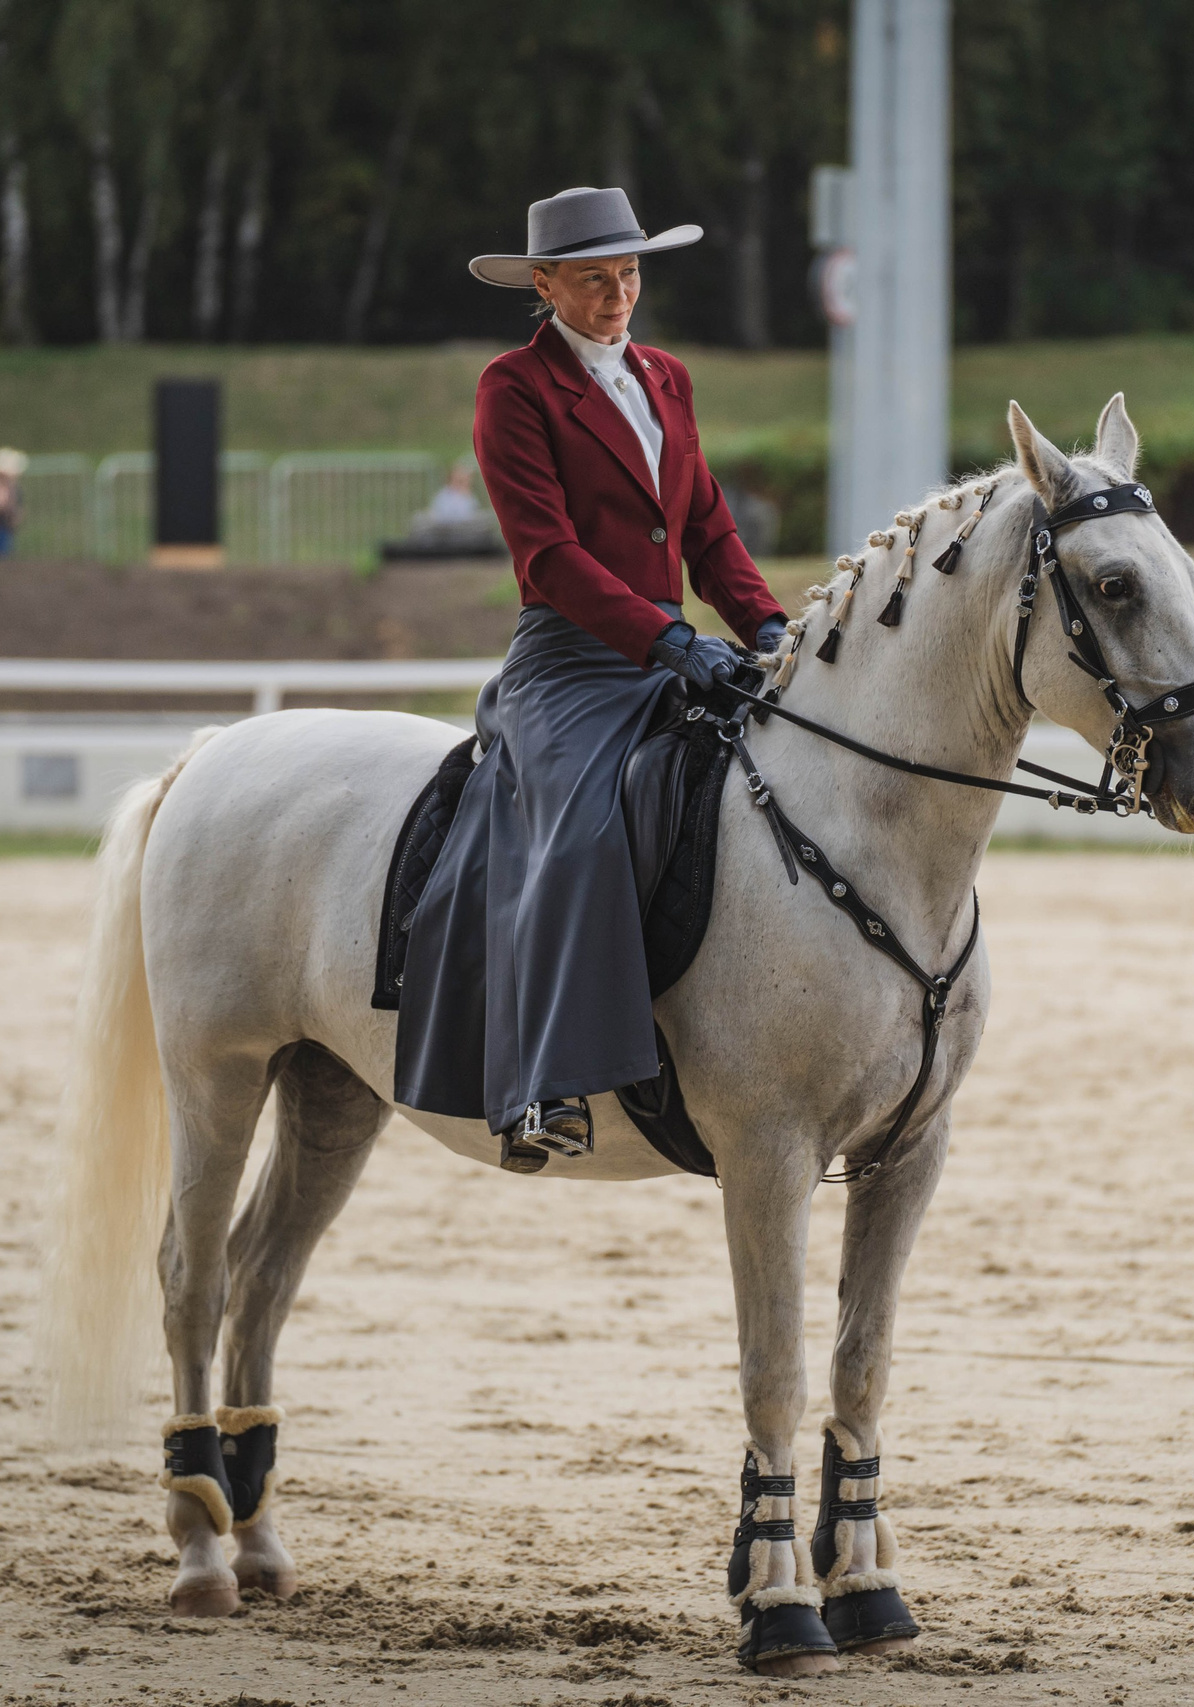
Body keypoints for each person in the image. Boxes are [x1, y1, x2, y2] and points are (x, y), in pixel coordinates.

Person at [391, 186, 789, 1167]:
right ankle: (543, 1079)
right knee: (578, 831)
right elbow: (550, 555)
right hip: (570, 659)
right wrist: (668, 639)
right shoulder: (514, 387)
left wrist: (769, 625)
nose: (618, 295)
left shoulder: (666, 377)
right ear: (544, 285)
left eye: (630, 274)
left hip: (673, 647)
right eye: (594, 279)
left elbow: (705, 527)